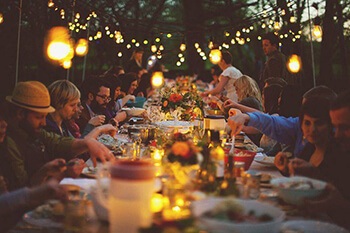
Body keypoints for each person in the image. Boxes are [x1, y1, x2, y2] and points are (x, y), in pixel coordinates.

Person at [0, 81, 114, 190]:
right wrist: (48, 172)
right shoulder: (8, 143)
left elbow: (57, 142)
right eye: (39, 117)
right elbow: (21, 190)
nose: (44, 123)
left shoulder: (32, 130)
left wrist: (88, 143)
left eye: (45, 116)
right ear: (20, 114)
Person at [227, 86, 337, 158]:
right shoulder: (299, 126)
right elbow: (272, 122)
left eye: (318, 123)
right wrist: (246, 117)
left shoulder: (338, 151)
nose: (312, 129)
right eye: (304, 110)